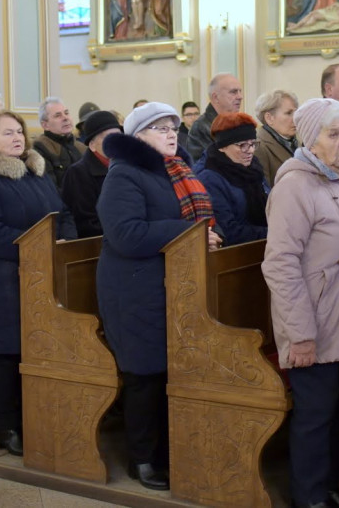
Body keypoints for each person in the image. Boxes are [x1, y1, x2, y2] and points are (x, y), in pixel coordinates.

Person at [96, 102, 221, 491]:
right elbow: (127, 234)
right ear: (137, 137)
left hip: (168, 284)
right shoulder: (124, 174)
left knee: (165, 371)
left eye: (172, 127)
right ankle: (142, 459)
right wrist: (189, 232)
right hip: (133, 289)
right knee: (143, 374)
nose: (171, 134)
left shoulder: (172, 170)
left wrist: (200, 234)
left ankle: (168, 450)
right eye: (160, 128)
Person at [263, 97, 339, 508]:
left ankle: (329, 486)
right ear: (312, 140)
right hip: (314, 320)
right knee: (315, 416)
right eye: (334, 134)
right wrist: (300, 334)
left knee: (336, 412)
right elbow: (280, 265)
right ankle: (309, 497)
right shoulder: (295, 186)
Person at [0, 109, 77, 456]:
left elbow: (62, 214)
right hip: (0, 280)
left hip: (43, 273)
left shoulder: (35, 173)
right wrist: (40, 247)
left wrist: (64, 241)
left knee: (39, 345)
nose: (17, 138)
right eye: (7, 133)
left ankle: (40, 415)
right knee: (5, 352)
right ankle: (7, 426)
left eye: (20, 132)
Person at [197, 113, 270, 245]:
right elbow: (228, 231)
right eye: (242, 145)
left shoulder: (254, 168)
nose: (250, 150)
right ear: (222, 147)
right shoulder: (210, 179)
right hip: (236, 256)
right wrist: (273, 233)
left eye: (253, 144)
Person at [60, 110, 123, 238]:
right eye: (108, 137)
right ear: (92, 145)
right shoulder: (78, 174)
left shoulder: (127, 167)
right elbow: (86, 224)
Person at [32, 97, 87, 190]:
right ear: (45, 125)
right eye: (58, 115)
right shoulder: (40, 148)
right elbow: (50, 189)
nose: (65, 118)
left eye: (66, 113)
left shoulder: (82, 147)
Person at [187, 73, 244, 161]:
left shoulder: (239, 124)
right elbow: (205, 167)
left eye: (240, 91)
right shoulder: (201, 128)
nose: (240, 97)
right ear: (215, 97)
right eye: (233, 92)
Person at [255, 90, 298, 187]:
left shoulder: (299, 141)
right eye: (288, 113)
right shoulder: (259, 147)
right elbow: (264, 193)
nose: (295, 118)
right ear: (269, 118)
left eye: (296, 112)